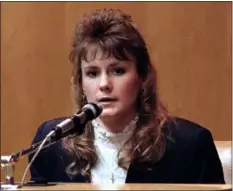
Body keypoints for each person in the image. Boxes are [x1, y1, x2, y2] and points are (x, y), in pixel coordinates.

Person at [29, 8, 225, 184]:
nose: (104, 84)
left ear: (142, 76)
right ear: (80, 83)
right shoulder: (52, 143)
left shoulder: (190, 145)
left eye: (118, 71)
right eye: (92, 73)